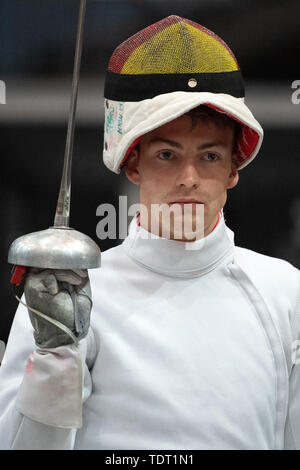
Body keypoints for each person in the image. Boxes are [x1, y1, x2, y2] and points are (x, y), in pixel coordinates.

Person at [0, 15, 300, 450]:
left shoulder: (286, 292)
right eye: (166, 154)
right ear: (132, 162)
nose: (189, 177)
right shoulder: (68, 297)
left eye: (210, 156)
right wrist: (57, 356)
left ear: (235, 166)